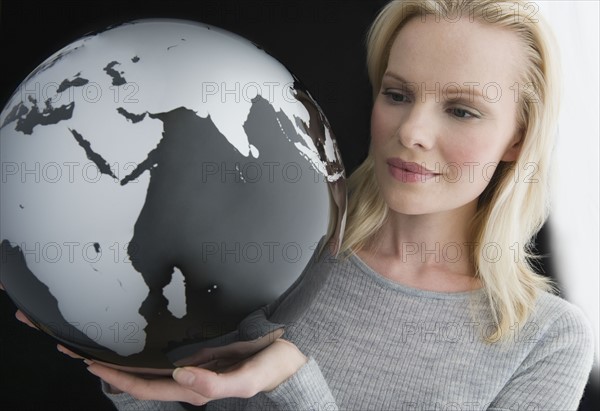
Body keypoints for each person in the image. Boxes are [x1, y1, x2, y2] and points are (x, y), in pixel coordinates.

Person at [6, 0, 595, 409]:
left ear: (518, 137)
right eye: (397, 94)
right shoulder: (284, 256)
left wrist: (293, 382)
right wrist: (121, 356)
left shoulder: (547, 341)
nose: (412, 129)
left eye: (461, 109)